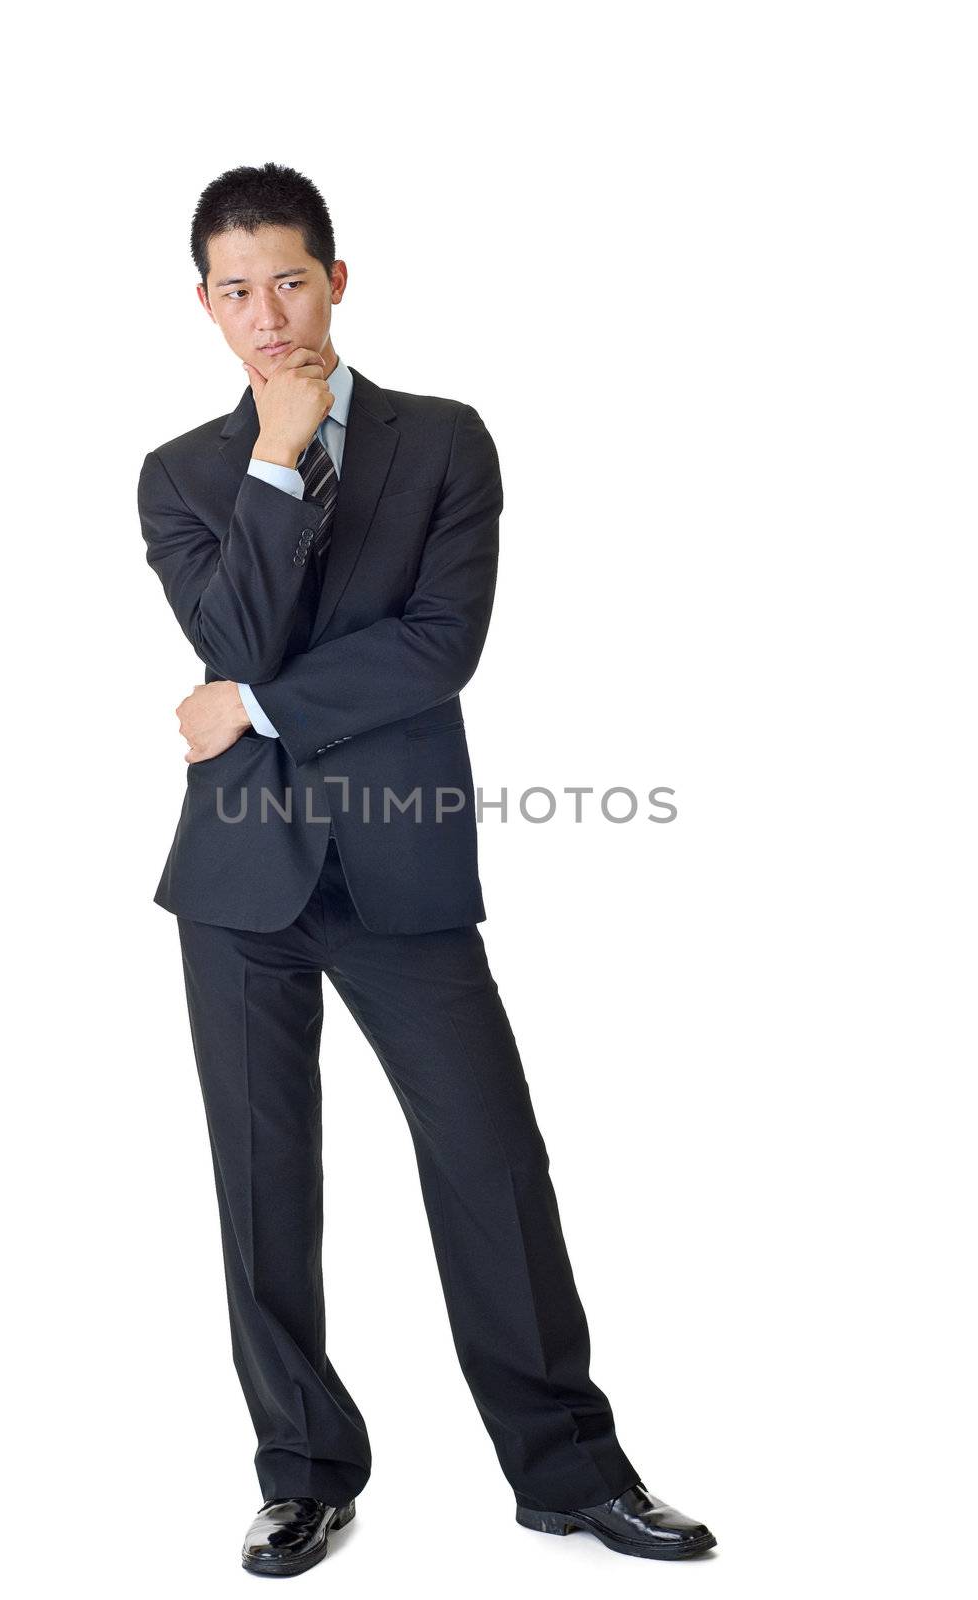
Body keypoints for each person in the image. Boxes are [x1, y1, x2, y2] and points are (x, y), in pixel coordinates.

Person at [138, 162, 717, 1578]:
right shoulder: (181, 478)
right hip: (237, 884)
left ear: (339, 278)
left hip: (401, 866)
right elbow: (236, 627)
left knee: (490, 1160)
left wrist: (255, 709)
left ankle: (568, 1470)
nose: (267, 312)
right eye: (235, 290)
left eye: (289, 279)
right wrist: (276, 462)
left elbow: (437, 646)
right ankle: (304, 1475)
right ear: (202, 307)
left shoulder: (445, 440)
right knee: (264, 1186)